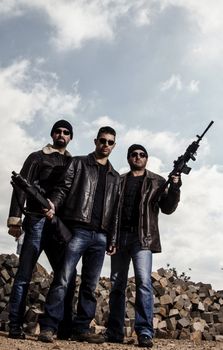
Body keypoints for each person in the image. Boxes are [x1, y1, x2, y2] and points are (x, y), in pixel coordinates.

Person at [38, 126, 120, 343]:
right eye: (102, 140)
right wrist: (53, 204)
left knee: (90, 286)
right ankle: (49, 327)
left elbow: (116, 213)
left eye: (110, 142)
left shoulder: (115, 177)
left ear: (114, 145)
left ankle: (82, 328)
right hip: (78, 230)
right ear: (95, 141)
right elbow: (63, 188)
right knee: (63, 279)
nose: (105, 145)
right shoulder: (79, 163)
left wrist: (112, 239)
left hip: (101, 236)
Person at [105, 144, 181, 348]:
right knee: (117, 285)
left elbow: (168, 208)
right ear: (129, 158)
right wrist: (110, 239)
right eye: (134, 154)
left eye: (142, 155)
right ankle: (114, 332)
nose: (137, 157)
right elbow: (111, 211)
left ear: (146, 158)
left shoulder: (157, 181)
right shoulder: (119, 181)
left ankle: (145, 333)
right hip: (120, 239)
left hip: (143, 239)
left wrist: (175, 187)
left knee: (144, 284)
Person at [7, 119, 74, 340]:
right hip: (35, 221)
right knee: (24, 276)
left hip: (58, 226)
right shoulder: (37, 156)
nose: (61, 135)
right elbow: (21, 187)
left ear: (70, 137)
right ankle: (14, 325)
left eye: (66, 132)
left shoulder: (73, 162)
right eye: (58, 131)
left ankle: (60, 328)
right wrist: (15, 220)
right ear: (52, 134)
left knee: (66, 277)